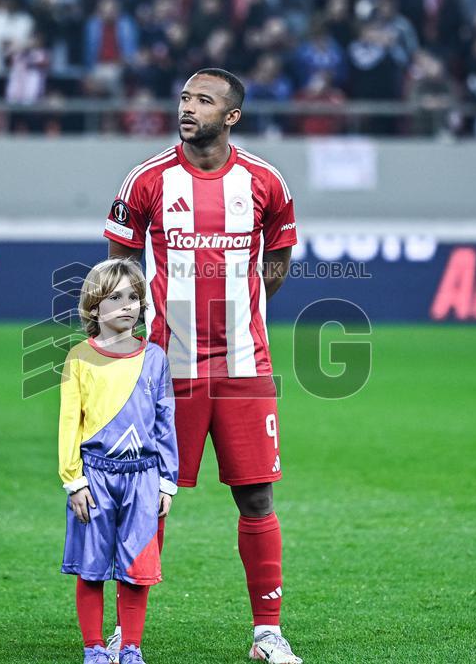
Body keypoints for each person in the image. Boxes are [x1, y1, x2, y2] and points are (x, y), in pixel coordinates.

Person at [104, 68, 301, 664]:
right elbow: (120, 264)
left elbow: (281, 254)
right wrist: (139, 332)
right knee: (150, 496)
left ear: (232, 115)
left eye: (203, 100)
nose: (188, 107)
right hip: (169, 368)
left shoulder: (265, 180)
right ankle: (125, 637)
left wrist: (247, 310)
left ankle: (267, 633)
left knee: (257, 498)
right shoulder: (147, 180)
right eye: (185, 97)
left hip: (245, 367)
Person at [59, 258, 178, 664]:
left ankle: (130, 647)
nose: (128, 305)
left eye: (134, 297)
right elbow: (69, 425)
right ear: (94, 307)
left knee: (137, 569)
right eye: (115, 298)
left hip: (143, 478)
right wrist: (74, 481)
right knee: (91, 568)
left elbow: (165, 421)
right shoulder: (79, 357)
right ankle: (93, 646)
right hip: (95, 477)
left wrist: (167, 481)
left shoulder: (156, 357)